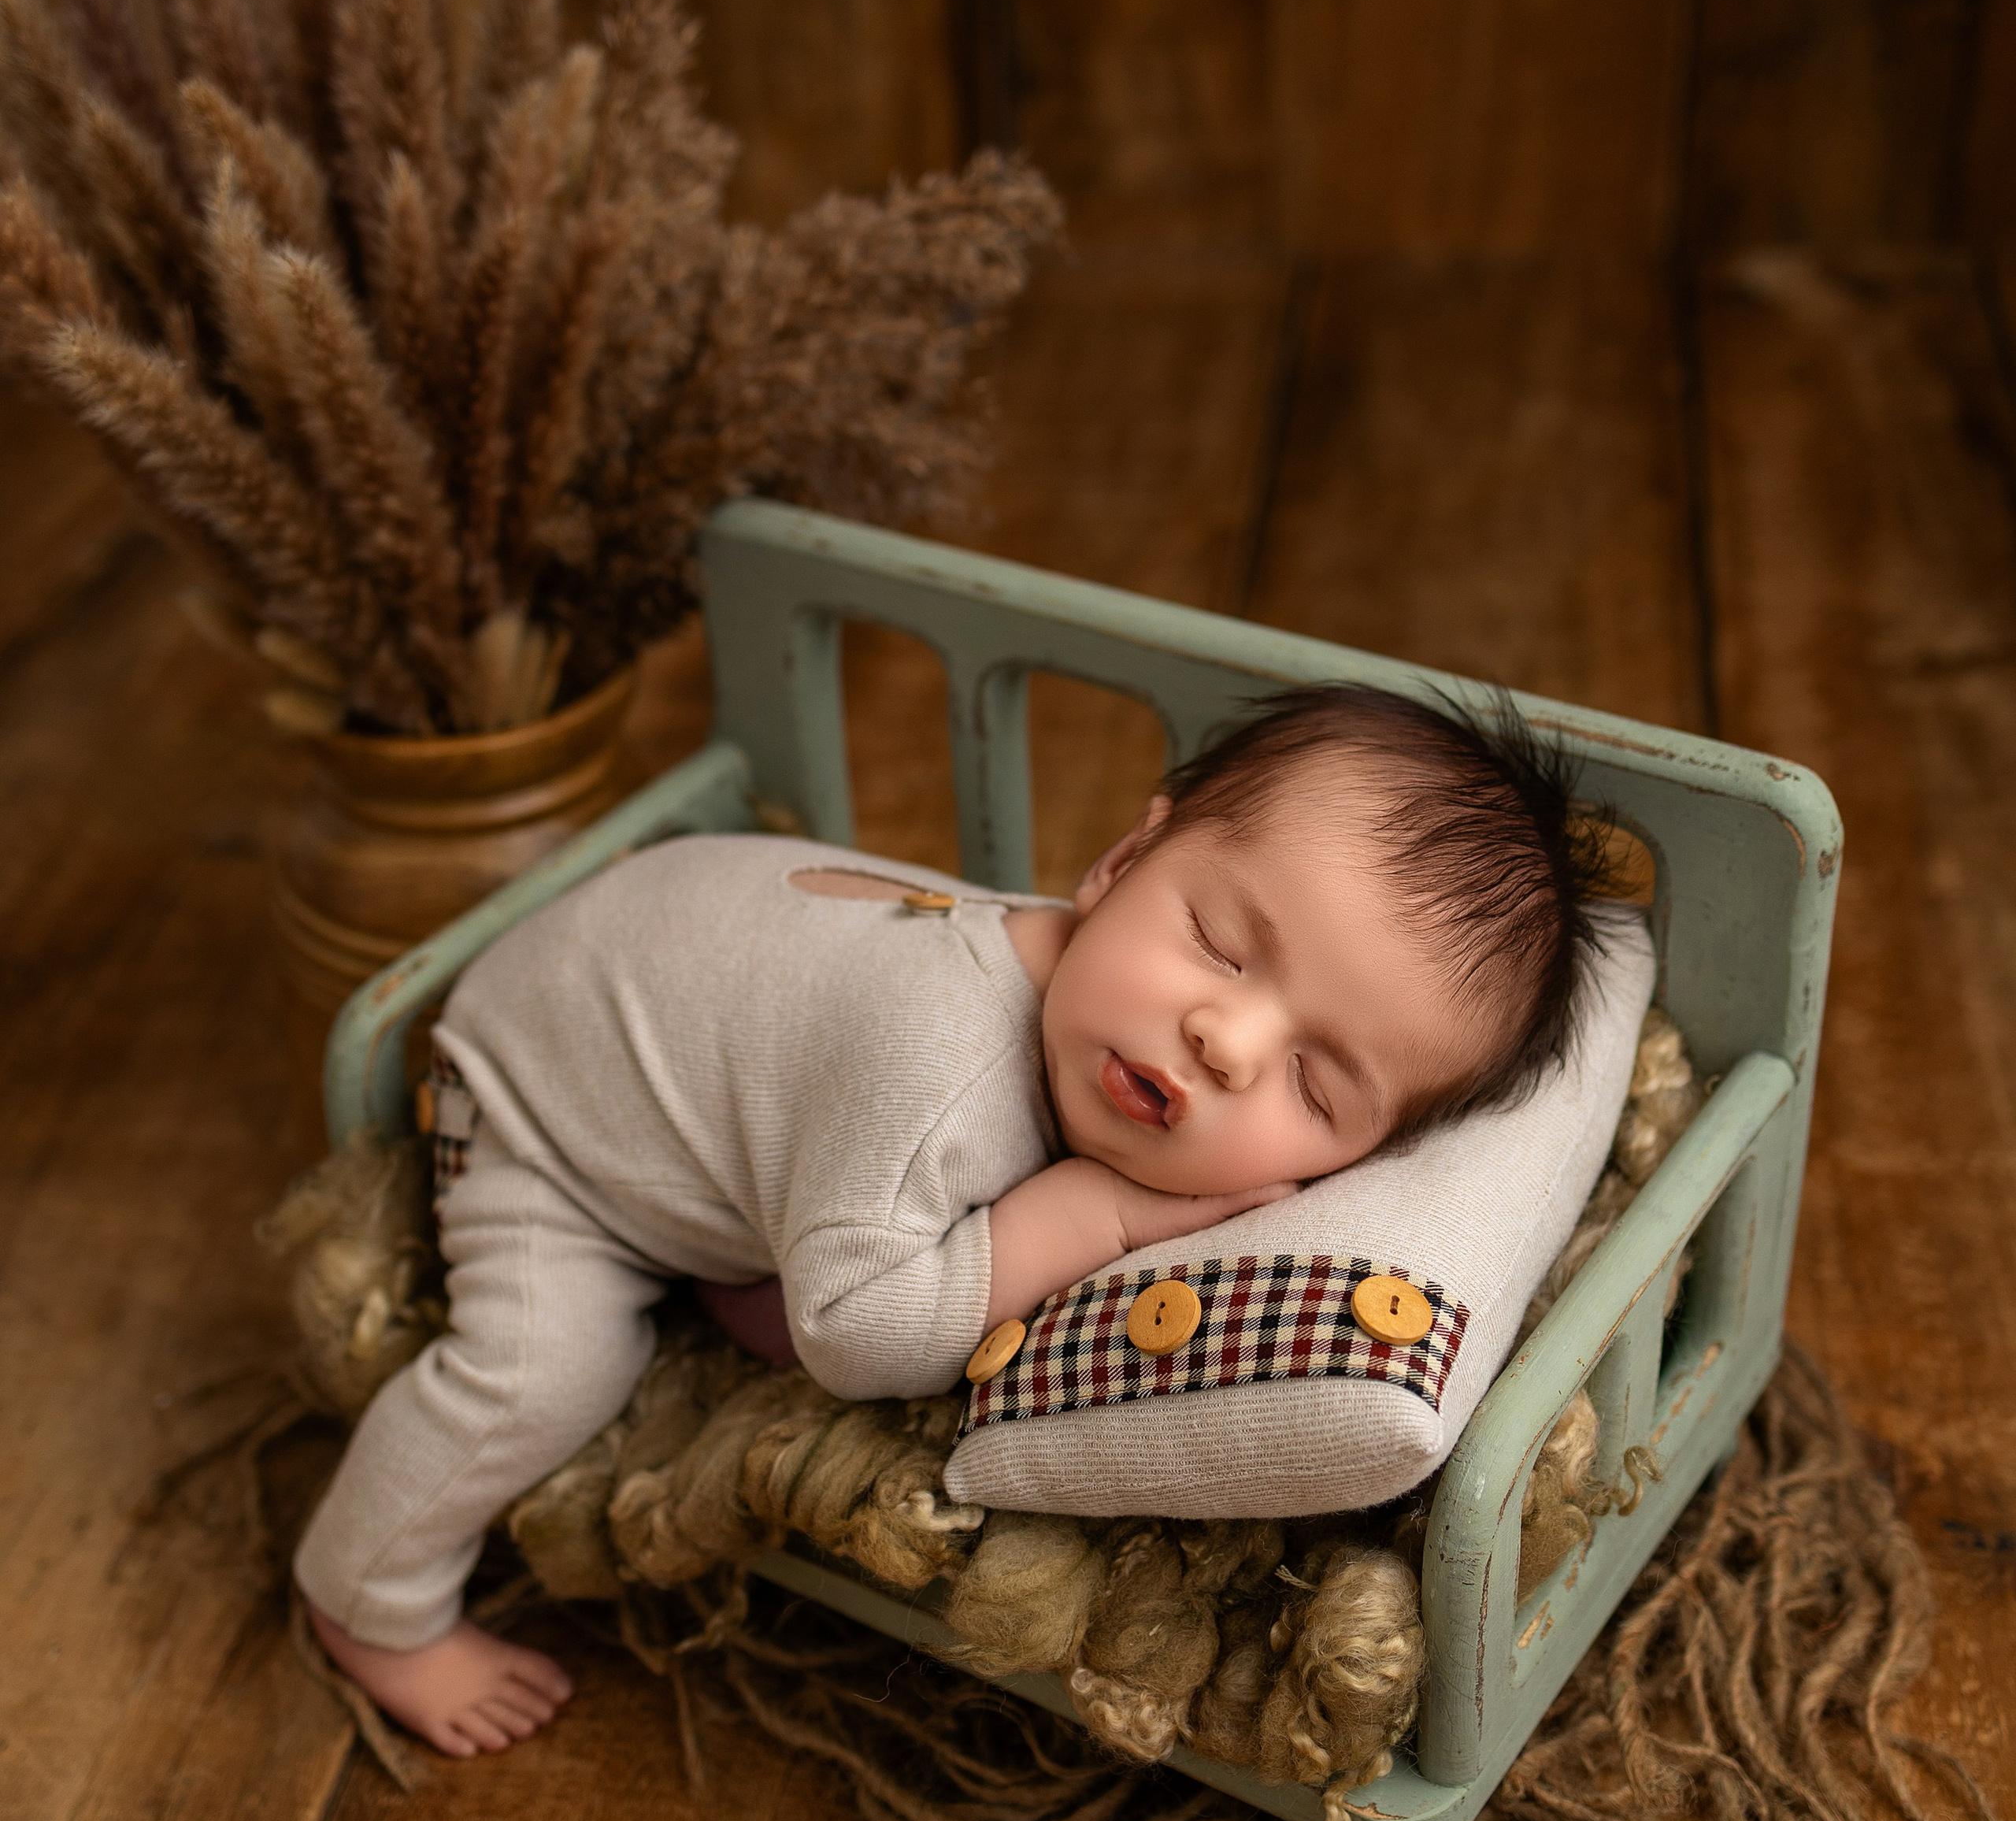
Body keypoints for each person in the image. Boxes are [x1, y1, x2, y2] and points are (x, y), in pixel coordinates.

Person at [295, 684, 1604, 1754]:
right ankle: (368, 1601)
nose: (1224, 1037)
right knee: (552, 1367)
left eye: (1316, 1085)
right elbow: (855, 1346)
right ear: (1121, 861)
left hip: (680, 988)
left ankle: (747, 1219)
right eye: (1216, 940)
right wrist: (1091, 1214)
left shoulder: (1077, 1002)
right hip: (542, 1096)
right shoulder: (944, 1074)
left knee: (818, 1193)